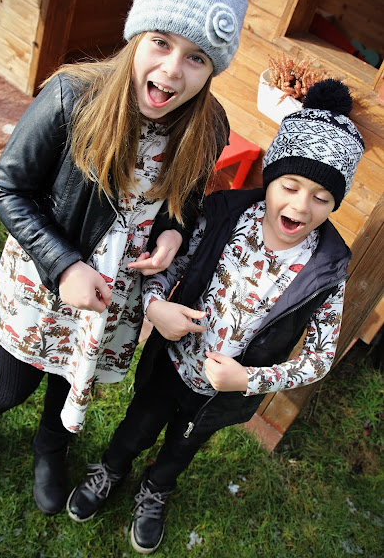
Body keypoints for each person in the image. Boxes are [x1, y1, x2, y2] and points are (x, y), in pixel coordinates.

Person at [0, 0, 248, 515]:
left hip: (114, 291)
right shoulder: (72, 95)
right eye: (161, 42)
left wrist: (171, 234)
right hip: (46, 274)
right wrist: (64, 266)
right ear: (137, 36)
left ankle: (50, 448)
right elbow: (8, 188)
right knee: (14, 383)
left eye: (196, 58)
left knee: (72, 379)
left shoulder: (209, 126)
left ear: (212, 69)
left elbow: (184, 200)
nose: (172, 70)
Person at [67, 79, 365, 554]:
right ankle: (111, 468)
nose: (300, 206)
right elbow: (171, 265)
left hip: (219, 393)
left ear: (335, 202)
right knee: (138, 424)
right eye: (290, 186)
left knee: (182, 446)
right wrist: (156, 306)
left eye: (322, 198)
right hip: (172, 362)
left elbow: (319, 357)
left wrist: (248, 379)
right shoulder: (224, 215)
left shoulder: (327, 270)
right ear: (270, 176)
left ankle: (156, 489)